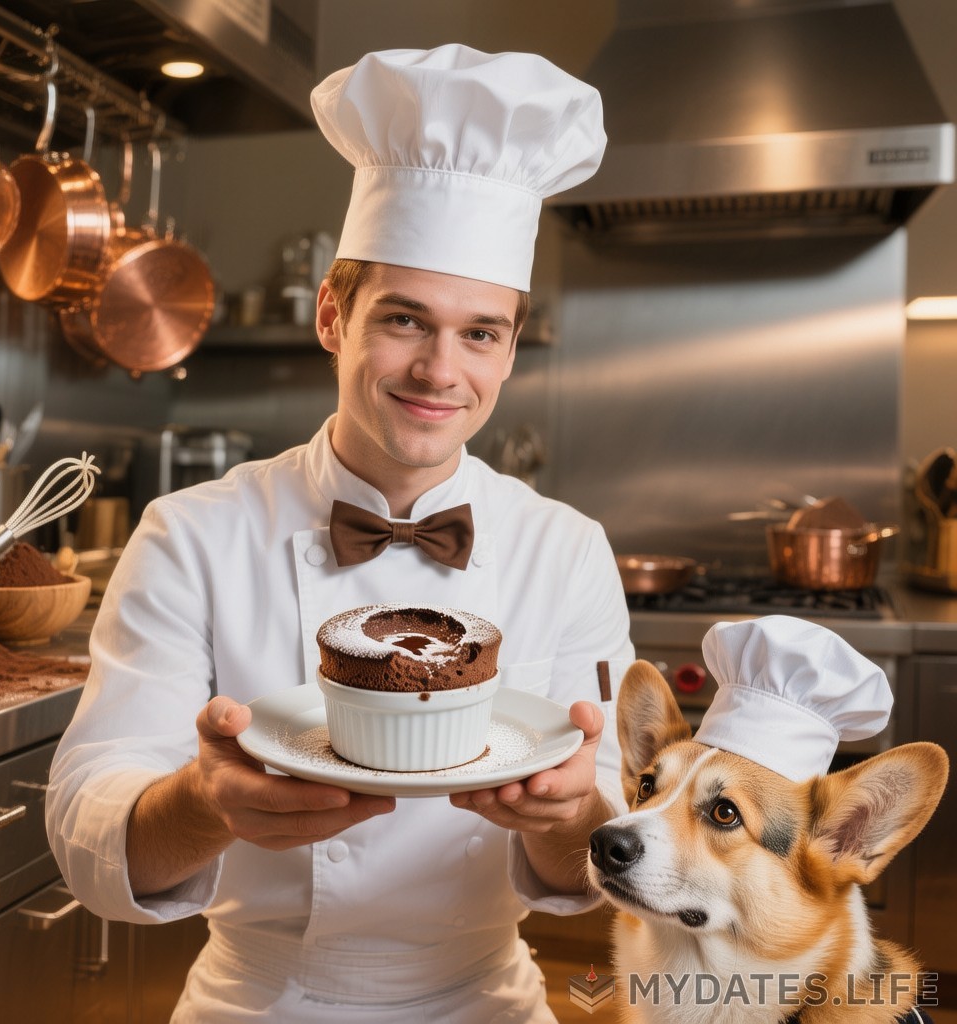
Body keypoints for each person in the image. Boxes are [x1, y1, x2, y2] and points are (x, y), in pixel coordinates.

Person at [47, 43, 635, 1022]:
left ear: (509, 346)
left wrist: (569, 813)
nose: (441, 369)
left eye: (480, 331)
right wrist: (201, 803)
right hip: (254, 998)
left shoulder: (566, 547)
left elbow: (602, 851)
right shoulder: (191, 532)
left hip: (487, 1000)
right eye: (405, 319)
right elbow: (83, 830)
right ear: (332, 314)